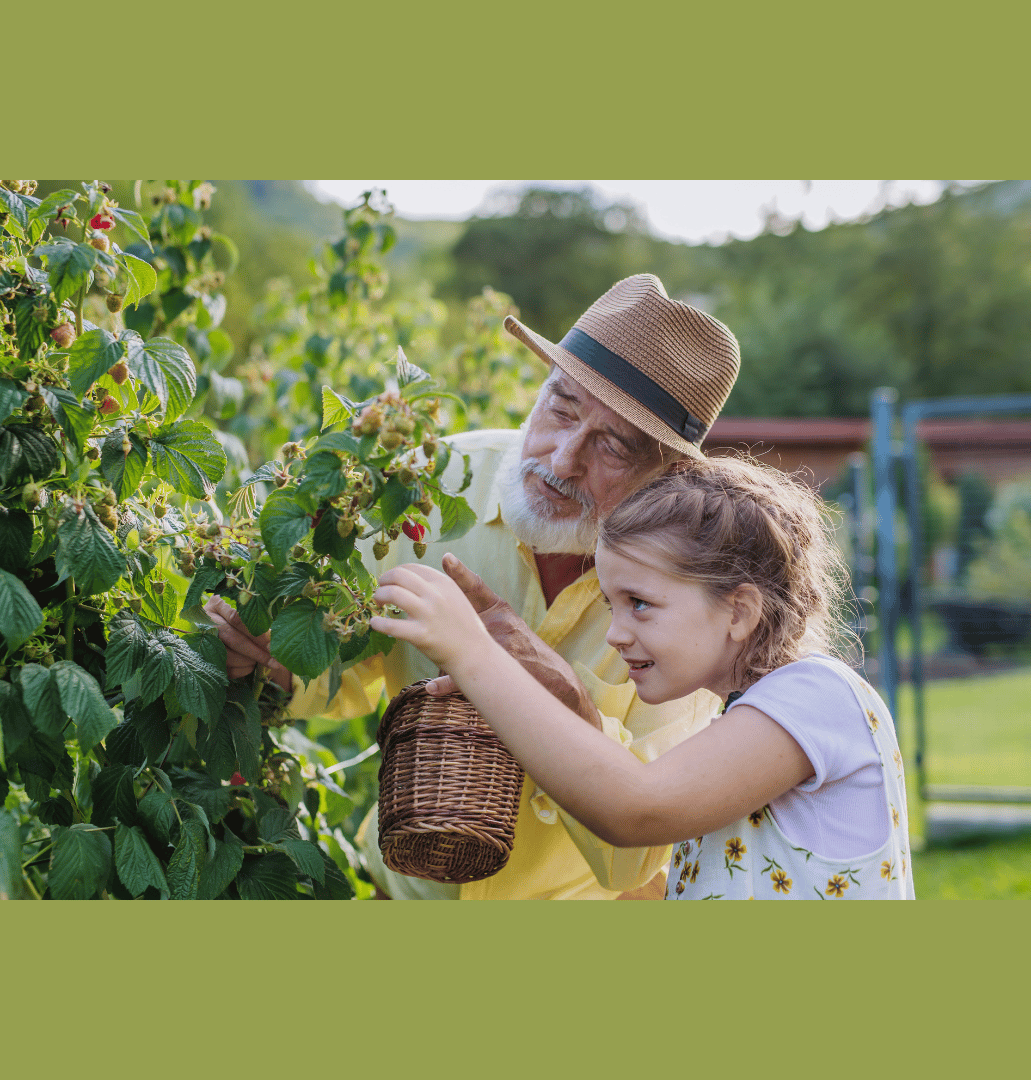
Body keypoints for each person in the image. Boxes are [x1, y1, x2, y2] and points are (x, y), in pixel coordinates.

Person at [208, 273, 743, 900]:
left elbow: (646, 848)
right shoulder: (432, 487)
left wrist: (559, 696)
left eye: (613, 447)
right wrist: (268, 660)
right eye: (562, 407)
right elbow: (337, 678)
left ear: (668, 474)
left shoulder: (691, 590)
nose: (562, 458)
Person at [370, 455, 916, 900]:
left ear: (738, 611)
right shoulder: (743, 723)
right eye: (612, 604)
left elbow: (635, 808)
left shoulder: (817, 696)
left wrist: (471, 653)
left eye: (640, 604)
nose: (616, 633)